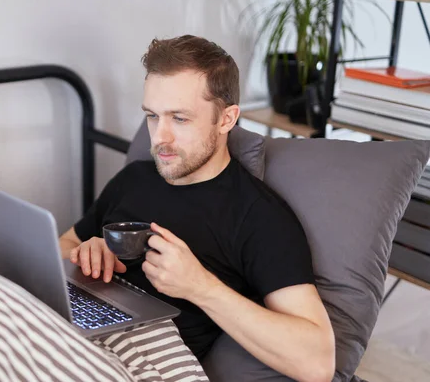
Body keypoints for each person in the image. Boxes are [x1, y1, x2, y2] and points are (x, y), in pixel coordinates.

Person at [59, 35, 335, 382]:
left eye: (180, 118)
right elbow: (62, 245)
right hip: (74, 330)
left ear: (226, 119)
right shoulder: (134, 178)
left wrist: (201, 287)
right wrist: (85, 253)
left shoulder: (257, 217)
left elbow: (318, 363)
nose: (160, 137)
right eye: (152, 116)